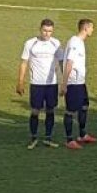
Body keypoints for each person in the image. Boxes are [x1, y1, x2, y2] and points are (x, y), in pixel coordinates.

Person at [17, 19, 62, 149]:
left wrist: (65, 81)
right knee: (35, 111)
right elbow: (24, 63)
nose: (47, 34)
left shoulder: (56, 43)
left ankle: (48, 137)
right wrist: (20, 82)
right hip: (36, 83)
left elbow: (61, 62)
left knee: (50, 110)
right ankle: (33, 137)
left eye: (50, 31)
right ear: (40, 29)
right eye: (45, 31)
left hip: (51, 83)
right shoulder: (30, 43)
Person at [60, 19, 97, 150]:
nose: (93, 30)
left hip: (80, 82)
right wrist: (64, 84)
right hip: (73, 83)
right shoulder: (75, 42)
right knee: (70, 111)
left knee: (84, 106)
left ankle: (82, 135)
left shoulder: (80, 42)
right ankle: (69, 140)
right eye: (92, 28)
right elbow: (69, 63)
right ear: (86, 28)